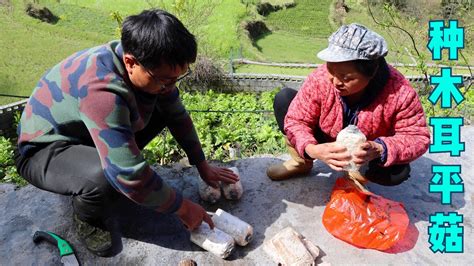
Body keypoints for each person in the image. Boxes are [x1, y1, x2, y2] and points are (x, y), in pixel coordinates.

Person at [15, 9, 238, 257]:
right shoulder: (102, 90)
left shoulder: (150, 67)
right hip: (43, 151)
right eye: (165, 80)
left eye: (177, 78)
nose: (170, 87)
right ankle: (87, 216)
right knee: (103, 177)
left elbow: (177, 115)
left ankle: (111, 171)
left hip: (88, 133)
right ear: (131, 62)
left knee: (164, 109)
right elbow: (126, 173)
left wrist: (201, 163)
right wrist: (182, 207)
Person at [266, 23, 430, 186]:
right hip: (327, 137)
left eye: (346, 78)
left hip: (365, 151)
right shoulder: (321, 78)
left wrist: (380, 149)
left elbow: (417, 137)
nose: (335, 82)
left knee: (397, 173)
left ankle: (357, 173)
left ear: (372, 72)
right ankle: (302, 163)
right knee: (284, 99)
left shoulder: (400, 92)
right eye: (331, 70)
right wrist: (311, 149)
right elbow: (297, 120)